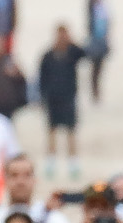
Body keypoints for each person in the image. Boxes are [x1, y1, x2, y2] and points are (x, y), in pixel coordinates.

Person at [36, 24, 83, 180]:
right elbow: (42, 78)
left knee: (71, 132)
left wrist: (73, 42)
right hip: (53, 98)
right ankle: (51, 164)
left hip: (69, 97)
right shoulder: (48, 55)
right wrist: (42, 98)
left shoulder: (72, 53)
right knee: (52, 131)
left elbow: (85, 54)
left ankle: (73, 165)